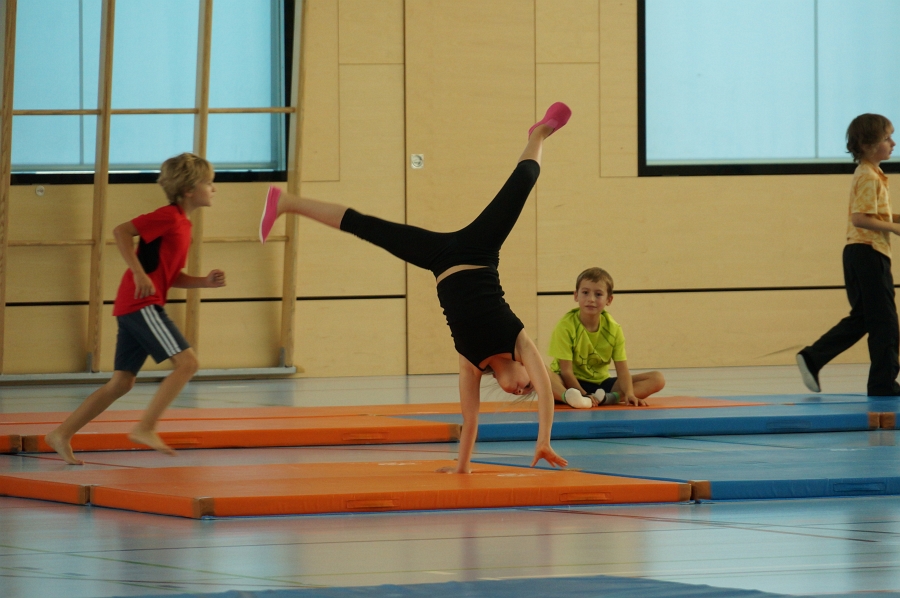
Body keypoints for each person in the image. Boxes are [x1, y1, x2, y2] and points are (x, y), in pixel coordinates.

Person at [259, 103, 572, 473]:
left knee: (367, 227)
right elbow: (547, 401)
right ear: (527, 369)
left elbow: (470, 422)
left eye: (521, 392)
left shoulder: (470, 363)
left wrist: (462, 468)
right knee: (521, 186)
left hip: (439, 259)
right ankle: (539, 133)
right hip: (479, 250)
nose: (523, 389)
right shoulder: (520, 343)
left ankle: (287, 203)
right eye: (529, 386)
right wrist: (544, 440)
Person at [45, 153, 226, 465]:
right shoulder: (169, 217)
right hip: (141, 304)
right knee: (187, 364)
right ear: (188, 190)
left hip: (136, 304)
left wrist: (203, 282)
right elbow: (121, 231)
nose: (214, 189)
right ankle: (146, 427)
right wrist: (139, 274)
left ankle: (61, 434)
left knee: (122, 382)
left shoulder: (184, 225)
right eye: (208, 183)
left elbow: (169, 276)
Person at [797, 114, 899, 396]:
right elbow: (860, 218)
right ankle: (882, 384)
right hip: (868, 253)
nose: (893, 143)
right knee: (885, 323)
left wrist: (894, 220)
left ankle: (813, 357)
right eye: (886, 138)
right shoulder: (868, 175)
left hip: (860, 253)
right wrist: (894, 227)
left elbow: (876, 214)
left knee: (866, 318)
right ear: (867, 145)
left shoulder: (872, 173)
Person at [547, 267, 665, 408]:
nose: (591, 299)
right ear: (576, 296)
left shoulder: (613, 329)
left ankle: (609, 398)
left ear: (609, 300)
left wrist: (629, 393)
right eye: (585, 293)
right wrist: (583, 394)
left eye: (598, 294)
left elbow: (622, 370)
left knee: (657, 379)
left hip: (600, 386)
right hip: (568, 384)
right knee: (543, 373)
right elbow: (566, 371)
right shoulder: (565, 326)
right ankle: (572, 398)